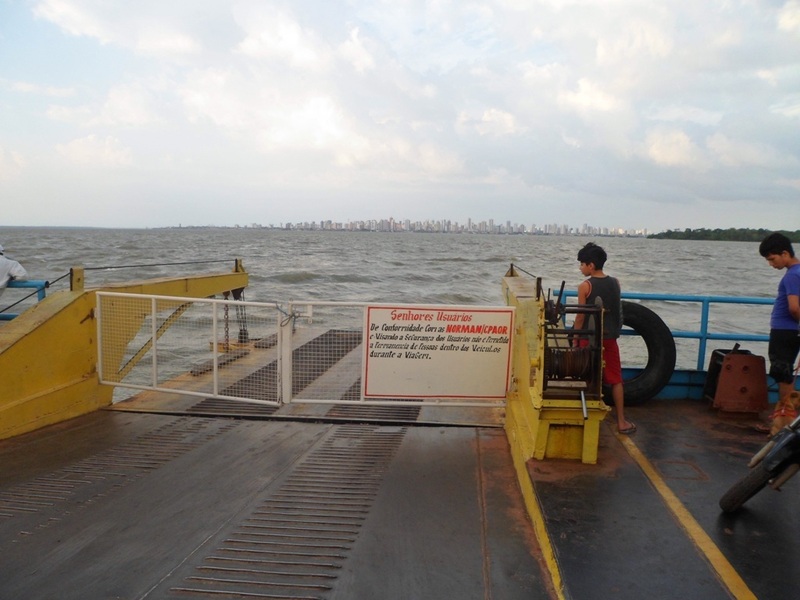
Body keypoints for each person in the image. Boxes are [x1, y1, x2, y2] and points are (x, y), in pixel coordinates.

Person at [572, 242, 636, 434]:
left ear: (591, 265)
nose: (580, 267)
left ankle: (586, 420)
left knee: (587, 376)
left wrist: (575, 338)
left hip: (589, 339)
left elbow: (581, 316)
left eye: (582, 264)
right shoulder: (615, 282)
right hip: (609, 339)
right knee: (616, 379)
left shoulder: (585, 286)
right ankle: (622, 422)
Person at [758, 233, 800, 406]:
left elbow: (794, 307)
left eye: (772, 259)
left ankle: (784, 420)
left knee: (783, 376)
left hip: (784, 331)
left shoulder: (792, 275)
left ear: (785, 253)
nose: (771, 264)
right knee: (786, 374)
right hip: (791, 331)